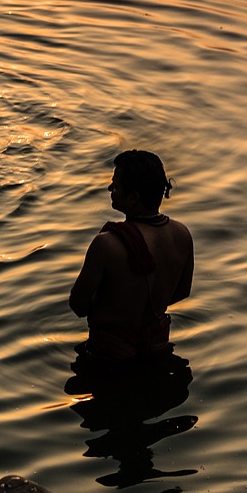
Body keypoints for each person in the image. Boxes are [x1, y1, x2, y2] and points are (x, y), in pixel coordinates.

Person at [69, 150, 193, 362]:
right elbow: (182, 292)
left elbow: (78, 305)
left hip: (110, 355)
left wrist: (112, 309)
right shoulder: (182, 234)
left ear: (133, 197)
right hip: (158, 347)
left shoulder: (106, 244)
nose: (110, 189)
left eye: (115, 185)